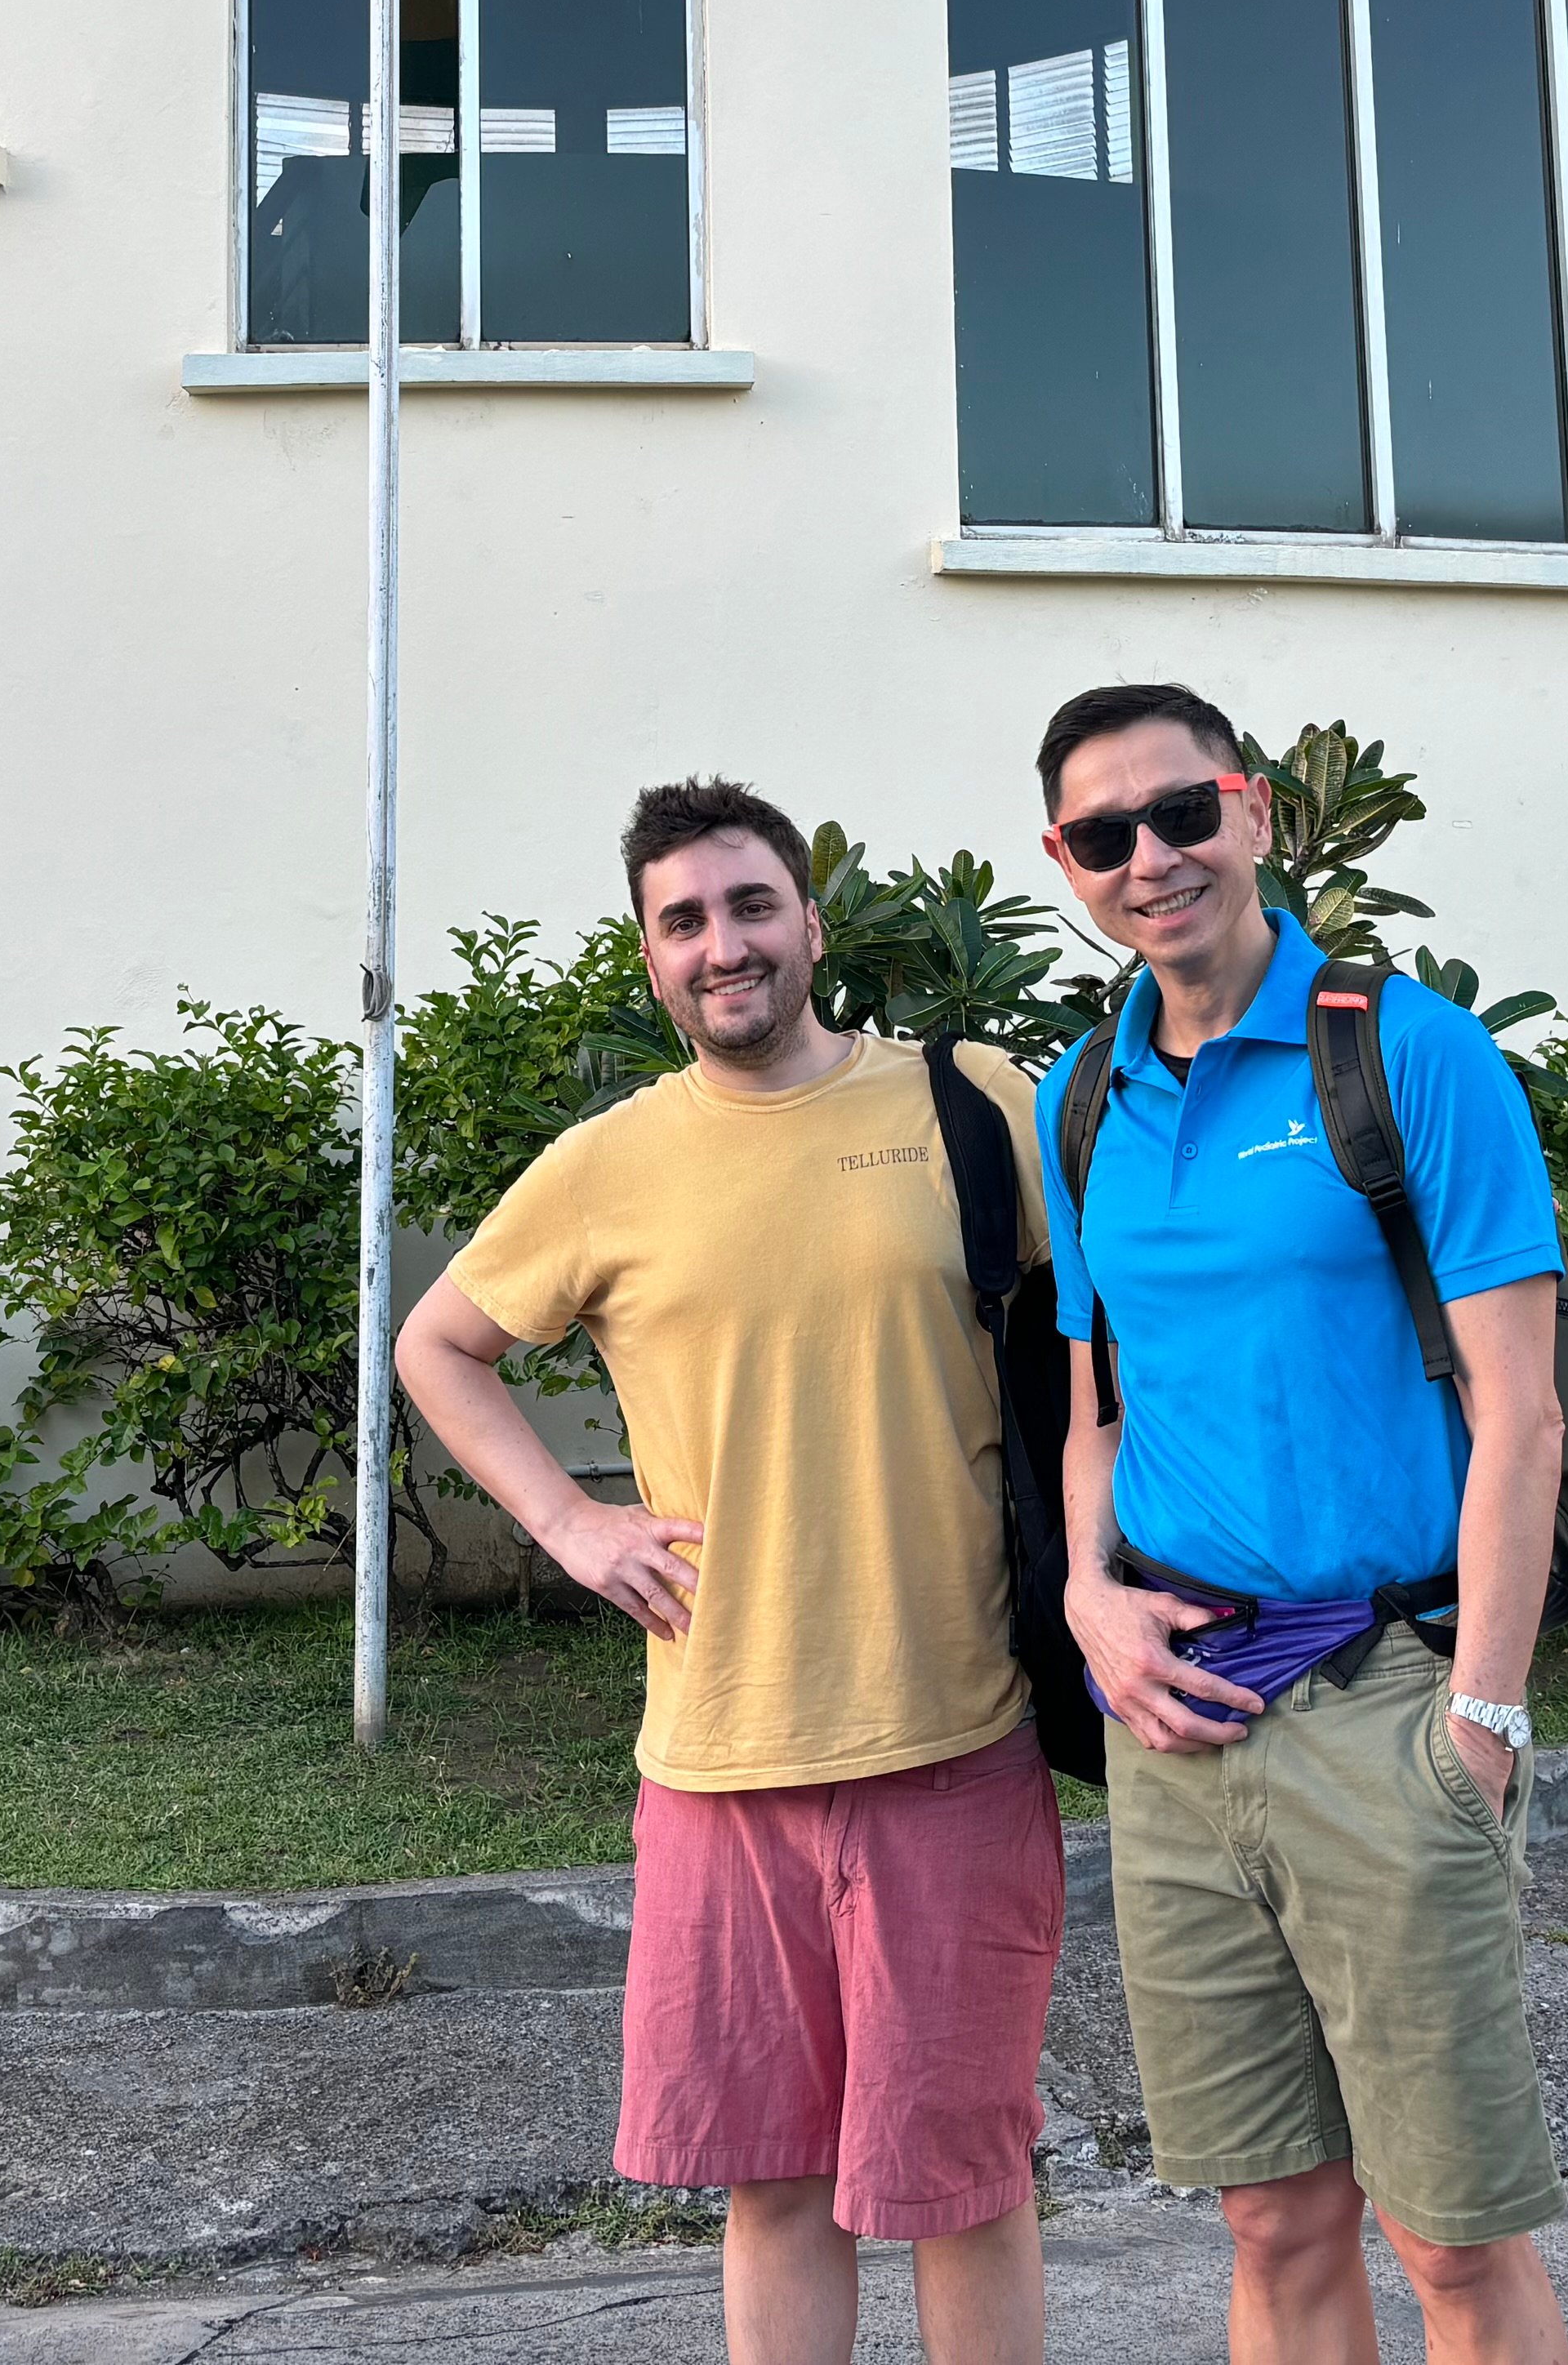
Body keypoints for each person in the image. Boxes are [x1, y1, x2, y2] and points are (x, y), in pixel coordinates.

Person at [395, 777, 1059, 2365]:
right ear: (651, 957)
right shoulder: (608, 1164)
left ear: (812, 922)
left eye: (752, 904)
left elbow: (1108, 1343)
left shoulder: (973, 1103)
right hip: (718, 1760)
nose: (724, 944)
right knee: (773, 2186)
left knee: (965, 2191)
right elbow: (439, 1344)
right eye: (683, 920)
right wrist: (572, 1524)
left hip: (955, 1738)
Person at [1033, 682, 1568, 2365]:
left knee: (1453, 2242)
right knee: (1272, 2219)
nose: (1151, 857)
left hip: (1389, 1704)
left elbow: (1524, 1417)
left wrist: (1482, 1719)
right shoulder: (1081, 1097)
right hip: (1176, 1725)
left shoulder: (1407, 1054)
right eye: (1106, 835)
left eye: (1182, 811)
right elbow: (1096, 1412)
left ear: (1254, 810)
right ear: (1066, 861)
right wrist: (1088, 1598)